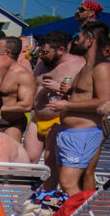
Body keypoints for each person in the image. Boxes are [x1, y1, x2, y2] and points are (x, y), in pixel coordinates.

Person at [47, 23, 110, 195]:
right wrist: (66, 94)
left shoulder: (102, 68)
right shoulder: (85, 67)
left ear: (90, 40)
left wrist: (67, 105)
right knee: (67, 181)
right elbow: (84, 97)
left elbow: (103, 102)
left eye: (78, 38)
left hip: (83, 134)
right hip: (70, 133)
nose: (75, 42)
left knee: (68, 182)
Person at [25, 30, 85, 164]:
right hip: (37, 117)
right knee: (29, 158)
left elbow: (85, 93)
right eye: (40, 52)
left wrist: (61, 88)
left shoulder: (78, 65)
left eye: (46, 52)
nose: (41, 56)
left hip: (58, 119)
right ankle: (31, 186)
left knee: (50, 159)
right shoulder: (42, 64)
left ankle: (49, 186)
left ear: (61, 50)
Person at [0, 35, 35, 141]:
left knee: (7, 156)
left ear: (7, 53)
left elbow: (27, 105)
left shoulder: (23, 75)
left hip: (12, 125)